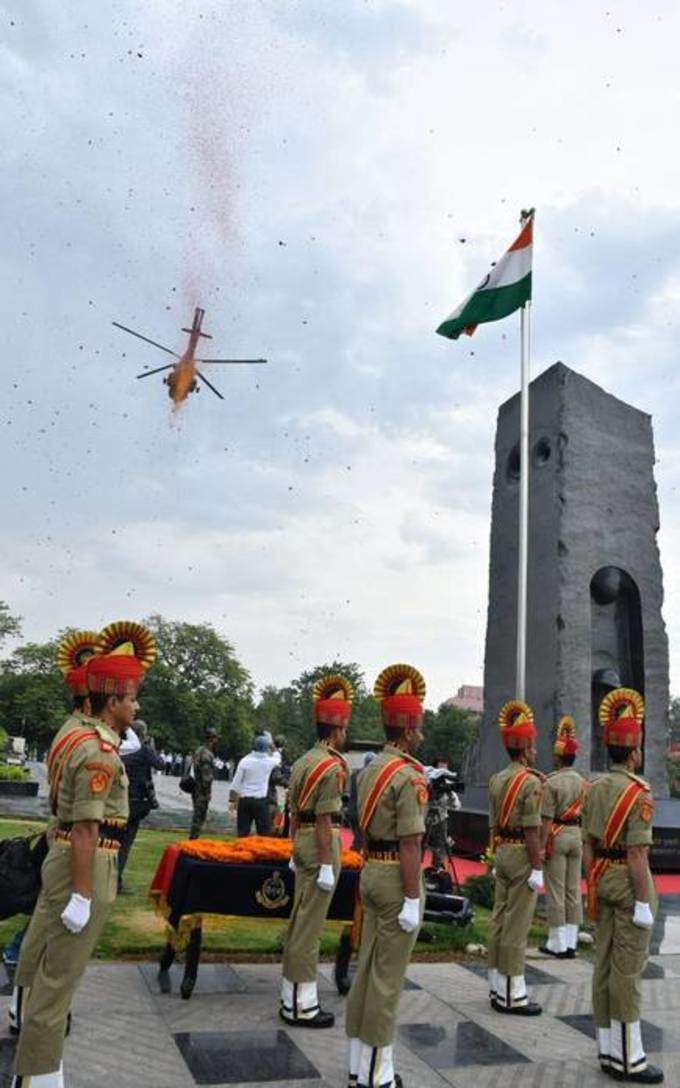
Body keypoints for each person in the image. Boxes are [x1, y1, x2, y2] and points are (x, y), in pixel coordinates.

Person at [11, 619, 156, 1088]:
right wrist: (83, 894)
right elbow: (88, 829)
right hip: (85, 862)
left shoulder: (81, 736)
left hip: (67, 854)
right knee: (59, 982)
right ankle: (38, 1078)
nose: (136, 705)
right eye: (131, 698)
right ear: (112, 701)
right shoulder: (97, 750)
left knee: (48, 973)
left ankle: (40, 1075)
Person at [8, 628, 100, 1036]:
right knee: (52, 938)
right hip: (68, 839)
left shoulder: (70, 730)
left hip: (57, 835)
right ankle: (34, 1013)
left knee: (42, 932)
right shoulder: (85, 737)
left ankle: (24, 1008)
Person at [345, 664, 428, 1088]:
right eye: (421, 723)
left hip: (370, 871)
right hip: (397, 878)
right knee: (387, 978)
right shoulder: (410, 776)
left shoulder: (370, 769)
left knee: (366, 970)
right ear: (409, 729)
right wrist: (414, 898)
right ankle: (377, 1075)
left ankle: (358, 1062)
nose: (423, 732)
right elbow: (411, 843)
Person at [583, 688, 662, 1084]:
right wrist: (645, 902)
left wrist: (591, 883)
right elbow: (636, 855)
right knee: (627, 971)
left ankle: (606, 1048)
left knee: (603, 965)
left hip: (601, 876)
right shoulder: (639, 792)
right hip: (629, 887)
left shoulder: (594, 787)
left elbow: (587, 844)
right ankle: (629, 1057)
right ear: (634, 751)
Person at [280, 675, 351, 1027]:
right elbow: (326, 818)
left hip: (302, 840)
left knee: (299, 920)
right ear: (338, 729)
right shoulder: (332, 765)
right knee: (310, 927)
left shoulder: (303, 760)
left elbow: (293, 809)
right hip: (321, 842)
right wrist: (326, 862)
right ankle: (301, 1004)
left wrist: (295, 848)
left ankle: (289, 995)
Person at [487, 699, 544, 1016]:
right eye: (532, 745)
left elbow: (494, 824)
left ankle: (496, 985)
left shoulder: (497, 779)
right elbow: (532, 830)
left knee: (499, 918)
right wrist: (537, 867)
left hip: (503, 851)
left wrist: (496, 856)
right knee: (517, 925)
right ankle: (512, 993)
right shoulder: (531, 782)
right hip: (522, 852)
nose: (535, 751)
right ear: (525, 749)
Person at [539, 715, 586, 958]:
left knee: (555, 889)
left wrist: (541, 845)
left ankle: (556, 943)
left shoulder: (551, 782)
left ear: (558, 756)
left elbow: (546, 819)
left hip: (556, 836)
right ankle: (571, 942)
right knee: (573, 889)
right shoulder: (582, 782)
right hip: (576, 835)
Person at [117, 720, 165, 892]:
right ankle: (117, 882)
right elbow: (160, 764)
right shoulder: (143, 750)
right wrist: (150, 746)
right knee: (125, 844)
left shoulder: (119, 747)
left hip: (118, 799)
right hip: (136, 802)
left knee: (112, 841)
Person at [230, 736, 282, 837]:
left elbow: (235, 784)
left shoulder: (245, 761)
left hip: (245, 800)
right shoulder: (269, 761)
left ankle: (241, 851)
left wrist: (232, 801)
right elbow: (278, 757)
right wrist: (272, 746)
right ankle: (260, 851)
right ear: (266, 748)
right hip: (260, 801)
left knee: (242, 833)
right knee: (263, 833)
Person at [189, 727, 219, 839]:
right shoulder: (207, 754)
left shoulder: (199, 750)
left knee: (197, 815)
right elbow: (206, 777)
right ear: (212, 739)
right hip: (201, 790)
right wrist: (208, 792)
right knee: (199, 816)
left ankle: (193, 838)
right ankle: (193, 840)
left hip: (195, 787)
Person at [348, 752, 376, 851]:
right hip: (361, 811)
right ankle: (353, 861)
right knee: (360, 840)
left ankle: (355, 859)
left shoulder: (355, 774)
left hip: (351, 810)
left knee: (358, 837)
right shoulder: (369, 776)